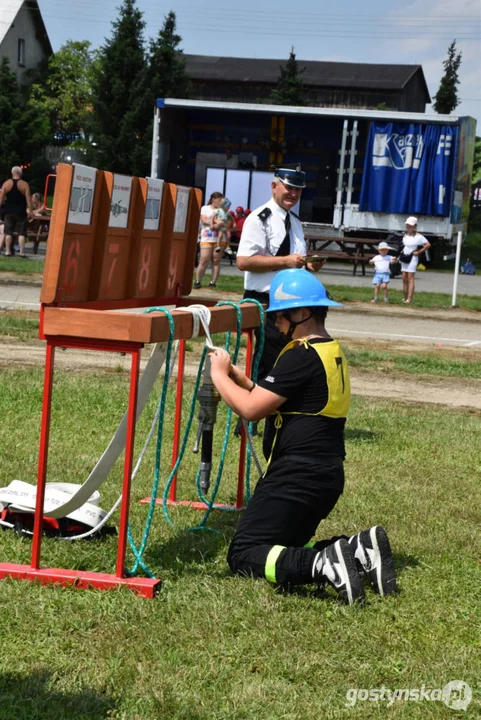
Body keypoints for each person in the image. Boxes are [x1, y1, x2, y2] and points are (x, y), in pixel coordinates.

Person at [209, 269, 396, 605]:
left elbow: (252, 410)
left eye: (280, 317)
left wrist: (219, 375)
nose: (277, 324)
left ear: (301, 313)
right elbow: (284, 400)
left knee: (243, 553)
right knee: (282, 549)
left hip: (296, 477)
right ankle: (357, 550)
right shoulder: (330, 351)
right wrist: (241, 378)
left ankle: (322, 563)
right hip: (325, 475)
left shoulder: (300, 354)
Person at [236, 165, 324, 381]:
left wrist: (307, 265)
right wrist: (286, 261)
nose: (293, 194)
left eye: (298, 190)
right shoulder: (259, 218)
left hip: (293, 301)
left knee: (293, 361)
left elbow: (294, 259)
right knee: (269, 363)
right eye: (289, 188)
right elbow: (244, 261)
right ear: (274, 187)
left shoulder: (294, 221)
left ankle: (280, 412)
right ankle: (251, 410)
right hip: (266, 302)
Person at [194, 191, 226, 289]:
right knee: (204, 259)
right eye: (219, 200)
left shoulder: (222, 210)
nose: (220, 202)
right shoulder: (205, 208)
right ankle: (198, 280)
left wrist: (213, 221)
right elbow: (203, 220)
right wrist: (214, 221)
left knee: (216, 261)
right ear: (213, 199)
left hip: (219, 239)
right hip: (207, 237)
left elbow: (222, 223)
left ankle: (213, 282)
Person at [0, 166, 33, 257]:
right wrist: (30, 212)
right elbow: (28, 200)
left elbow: (1, 199)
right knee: (22, 233)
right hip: (21, 212)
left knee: (8, 232)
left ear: (12, 173)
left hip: (9, 211)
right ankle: (22, 253)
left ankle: (7, 252)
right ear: (21, 174)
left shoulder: (6, 184)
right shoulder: (24, 184)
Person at [400, 217, 431, 304]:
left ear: (414, 226)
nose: (408, 227)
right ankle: (405, 297)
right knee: (404, 277)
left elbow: (428, 245)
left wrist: (419, 252)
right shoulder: (405, 235)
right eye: (407, 226)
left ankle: (409, 298)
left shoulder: (419, 236)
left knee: (410, 278)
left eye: (410, 226)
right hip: (405, 257)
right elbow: (404, 246)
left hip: (412, 258)